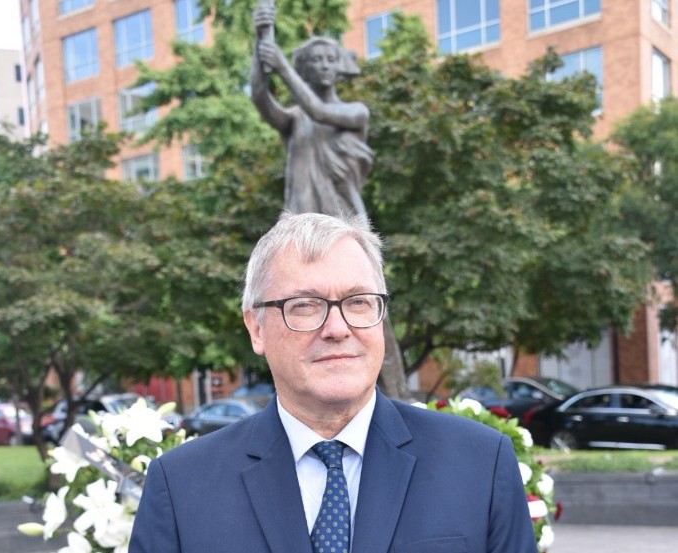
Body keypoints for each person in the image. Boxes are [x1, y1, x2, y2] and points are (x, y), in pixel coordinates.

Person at [129, 211, 537, 553]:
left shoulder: (481, 463)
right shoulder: (180, 486)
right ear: (256, 328)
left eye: (359, 302)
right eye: (305, 305)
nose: (338, 328)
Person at [251, 8, 374, 218]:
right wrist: (261, 38)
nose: (324, 66)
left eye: (330, 60)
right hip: (301, 225)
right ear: (304, 69)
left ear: (339, 68)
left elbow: (319, 112)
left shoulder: (356, 112)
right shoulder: (295, 118)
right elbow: (260, 97)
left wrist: (282, 68)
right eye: (316, 60)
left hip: (345, 224)